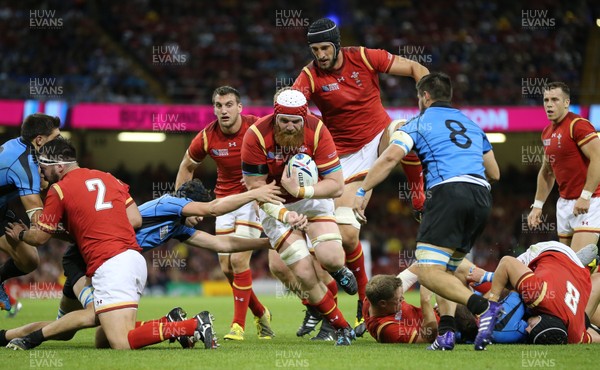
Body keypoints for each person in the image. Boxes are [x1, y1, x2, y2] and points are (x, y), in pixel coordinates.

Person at [1, 178, 282, 350]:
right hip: (84, 259)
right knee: (90, 318)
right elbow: (212, 209)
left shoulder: (176, 227)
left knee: (100, 338)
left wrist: (265, 243)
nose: (201, 218)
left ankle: (6, 336)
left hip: (109, 263)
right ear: (189, 202)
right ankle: (24, 339)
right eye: (197, 210)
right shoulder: (170, 204)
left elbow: (223, 244)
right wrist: (253, 194)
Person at [4, 138, 215, 350]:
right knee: (101, 338)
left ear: (59, 166)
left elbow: (40, 237)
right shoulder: (109, 178)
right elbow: (135, 220)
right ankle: (173, 324)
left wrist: (22, 234)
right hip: (132, 259)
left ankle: (193, 325)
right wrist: (102, 224)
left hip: (108, 264)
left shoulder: (58, 190)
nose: (41, 172)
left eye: (43, 167)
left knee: (118, 339)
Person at [293, 17, 430, 332]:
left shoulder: (365, 57)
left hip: (380, 136)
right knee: (347, 234)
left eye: (325, 47)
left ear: (337, 44)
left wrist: (428, 107)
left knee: (406, 128)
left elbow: (415, 69)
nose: (321, 54)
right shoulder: (309, 76)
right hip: (343, 159)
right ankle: (360, 297)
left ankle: (417, 193)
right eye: (315, 49)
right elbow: (294, 106)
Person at [353, 72, 501, 351]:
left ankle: (484, 308)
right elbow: (494, 171)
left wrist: (362, 191)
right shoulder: (472, 124)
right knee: (447, 270)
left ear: (425, 96)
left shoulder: (418, 123)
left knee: (426, 269)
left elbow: (390, 157)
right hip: (481, 196)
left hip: (448, 194)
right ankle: (446, 332)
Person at [241, 88, 356, 345]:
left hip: (312, 200)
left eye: (296, 122)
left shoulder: (317, 130)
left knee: (331, 257)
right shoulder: (256, 136)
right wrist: (286, 214)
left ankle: (338, 271)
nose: (291, 127)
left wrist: (302, 191)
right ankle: (340, 326)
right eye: (284, 121)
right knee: (302, 272)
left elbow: (336, 185)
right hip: (275, 203)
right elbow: (256, 191)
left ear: (305, 118)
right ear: (275, 115)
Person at [175, 86, 274, 341]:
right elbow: (187, 166)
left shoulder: (257, 127)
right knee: (227, 267)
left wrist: (261, 191)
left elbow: (276, 158)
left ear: (240, 107)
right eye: (219, 106)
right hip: (224, 203)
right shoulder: (207, 137)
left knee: (239, 261)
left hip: (252, 198)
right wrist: (181, 206)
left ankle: (237, 326)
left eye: (229, 104)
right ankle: (262, 312)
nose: (224, 110)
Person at [527, 82, 600, 254]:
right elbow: (547, 171)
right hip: (565, 204)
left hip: (591, 201)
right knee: (567, 265)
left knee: (576, 264)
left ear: (566, 103)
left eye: (555, 100)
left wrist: (585, 195)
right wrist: (537, 205)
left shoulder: (578, 125)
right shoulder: (546, 132)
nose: (549, 104)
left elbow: (598, 158)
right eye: (546, 100)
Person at [0, 113, 61, 311]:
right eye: (56, 138)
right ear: (39, 140)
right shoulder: (23, 164)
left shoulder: (22, 148)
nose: (59, 143)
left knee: (29, 260)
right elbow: (39, 225)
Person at [486, 241, 593, 344]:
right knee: (506, 284)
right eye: (532, 326)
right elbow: (506, 262)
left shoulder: (575, 336)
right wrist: (492, 302)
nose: (527, 329)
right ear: (541, 317)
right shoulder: (538, 296)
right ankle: (485, 276)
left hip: (578, 272)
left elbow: (592, 338)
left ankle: (577, 262)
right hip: (551, 251)